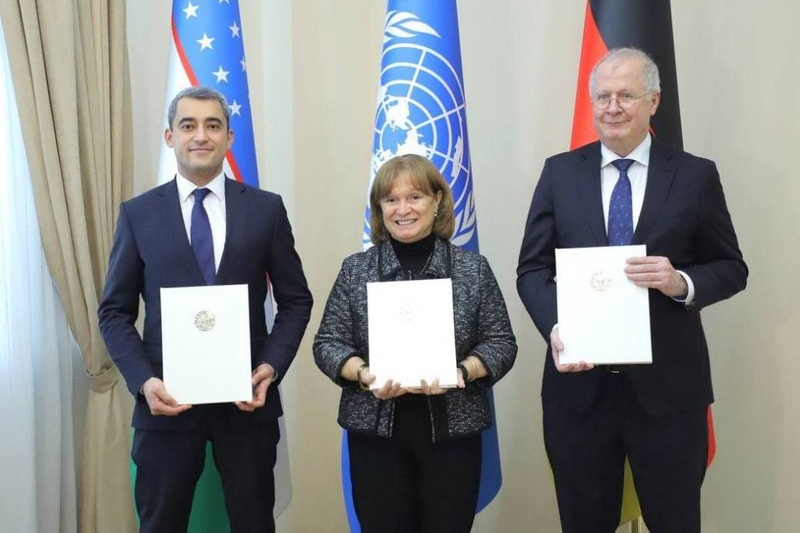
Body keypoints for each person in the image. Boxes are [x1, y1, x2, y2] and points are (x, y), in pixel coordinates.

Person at [517, 47, 747, 533]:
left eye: (626, 95)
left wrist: (680, 282)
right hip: (579, 390)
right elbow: (532, 269)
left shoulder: (694, 174)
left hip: (669, 392)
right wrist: (556, 328)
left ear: (653, 101)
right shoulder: (559, 172)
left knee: (675, 522)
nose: (613, 107)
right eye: (602, 97)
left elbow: (731, 267)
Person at [98, 86, 313, 533]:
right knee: (160, 524)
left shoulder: (266, 209)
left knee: (254, 523)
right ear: (170, 137)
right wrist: (144, 382)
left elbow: (296, 300)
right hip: (165, 403)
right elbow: (114, 312)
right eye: (188, 125)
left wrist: (270, 367)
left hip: (247, 402)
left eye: (213, 125)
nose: (201, 135)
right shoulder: (138, 214)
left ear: (229, 137)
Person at [313, 154, 516, 533]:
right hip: (375, 438)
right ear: (379, 208)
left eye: (414, 197)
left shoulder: (473, 269)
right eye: (391, 200)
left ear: (437, 200)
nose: (402, 209)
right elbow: (328, 343)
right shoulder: (355, 270)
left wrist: (461, 372)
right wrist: (364, 374)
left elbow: (501, 342)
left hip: (453, 437)